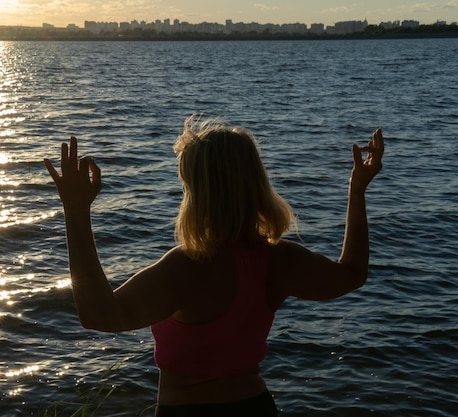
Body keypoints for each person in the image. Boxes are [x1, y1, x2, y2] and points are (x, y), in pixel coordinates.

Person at [44, 116, 384, 416]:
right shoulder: (279, 258)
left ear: (199, 191)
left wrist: (75, 211)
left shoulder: (188, 266)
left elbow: (99, 315)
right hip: (256, 408)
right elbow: (352, 273)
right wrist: (357, 188)